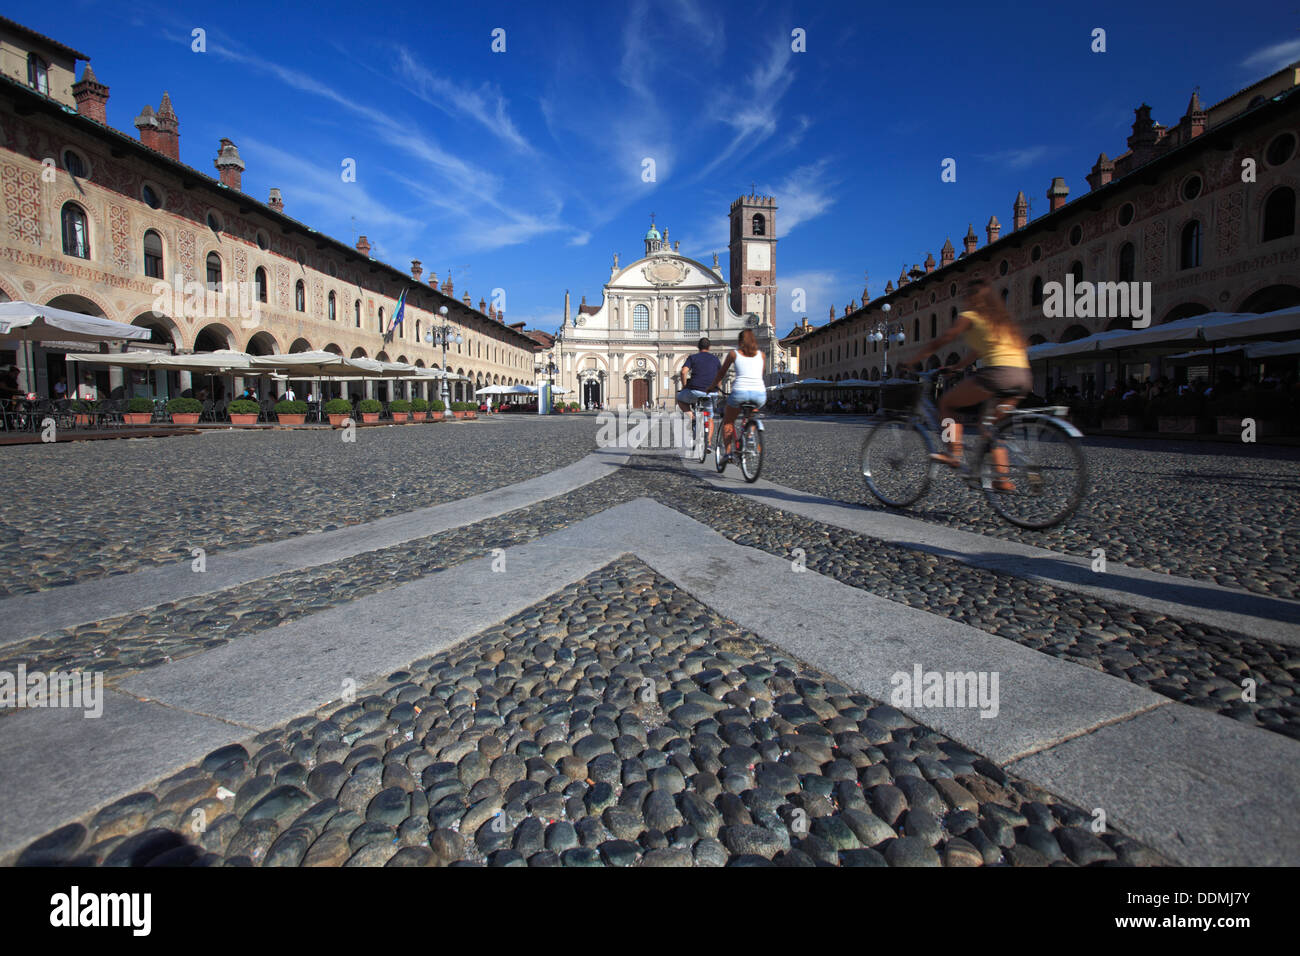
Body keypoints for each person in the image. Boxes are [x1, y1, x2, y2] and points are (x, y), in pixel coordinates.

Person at [909, 279, 1031, 491]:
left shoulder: (971, 316)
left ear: (972, 299)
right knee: (992, 429)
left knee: (947, 404)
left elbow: (945, 338)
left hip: (998, 375)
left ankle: (952, 452)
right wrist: (957, 367)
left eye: (966, 298)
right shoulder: (1000, 322)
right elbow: (978, 352)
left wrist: (913, 360)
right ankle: (1001, 479)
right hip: (1023, 376)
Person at [709, 328, 767, 457]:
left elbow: (721, 374)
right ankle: (751, 436)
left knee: (728, 421)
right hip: (760, 394)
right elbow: (761, 373)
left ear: (740, 341)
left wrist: (711, 387)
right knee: (752, 414)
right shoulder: (762, 355)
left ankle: (728, 453)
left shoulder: (734, 354)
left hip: (740, 392)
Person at [677, 337, 722, 447]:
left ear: (698, 347)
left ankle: (692, 417)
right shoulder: (716, 359)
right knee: (710, 417)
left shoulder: (693, 357)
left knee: (680, 399)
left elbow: (683, 372)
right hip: (712, 393)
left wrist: (684, 386)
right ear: (709, 347)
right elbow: (720, 376)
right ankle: (709, 443)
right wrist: (718, 388)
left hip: (695, 391)